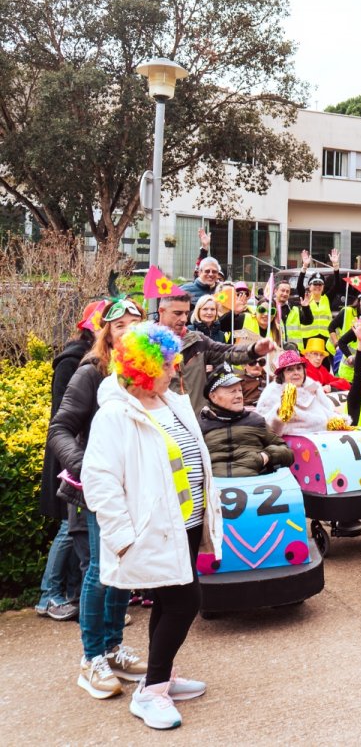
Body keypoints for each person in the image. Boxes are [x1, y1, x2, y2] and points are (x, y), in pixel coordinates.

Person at [82, 323, 220, 730]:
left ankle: (162, 674)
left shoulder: (172, 402)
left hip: (186, 525)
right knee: (185, 602)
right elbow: (100, 482)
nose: (172, 369)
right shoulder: (115, 414)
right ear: (140, 368)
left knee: (168, 601)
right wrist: (124, 537)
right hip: (153, 531)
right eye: (162, 363)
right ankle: (151, 691)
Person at [48, 299, 149, 698]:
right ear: (106, 333)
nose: (127, 330)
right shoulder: (91, 372)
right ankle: (91, 659)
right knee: (101, 570)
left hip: (136, 485)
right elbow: (60, 428)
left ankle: (112, 647)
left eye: (134, 324)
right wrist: (87, 469)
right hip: (99, 487)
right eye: (119, 324)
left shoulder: (144, 372)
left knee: (124, 566)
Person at [36, 304, 99, 622]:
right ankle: (49, 596)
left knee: (80, 530)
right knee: (66, 526)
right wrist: (75, 458)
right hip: (72, 455)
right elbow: (64, 415)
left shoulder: (99, 362)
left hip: (86, 452)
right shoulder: (73, 361)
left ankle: (75, 594)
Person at [155, 293, 274, 416]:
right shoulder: (145, 343)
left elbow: (227, 352)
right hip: (161, 423)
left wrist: (254, 350)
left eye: (186, 313)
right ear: (161, 311)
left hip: (197, 420)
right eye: (178, 313)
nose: (184, 319)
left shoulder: (198, 340)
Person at [199, 367, 294, 477]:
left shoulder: (255, 421)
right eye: (232, 391)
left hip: (254, 486)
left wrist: (265, 456)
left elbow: (287, 453)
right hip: (215, 488)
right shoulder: (200, 426)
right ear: (213, 397)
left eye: (240, 390)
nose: (239, 396)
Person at [258, 350, 345, 435]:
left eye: (299, 368)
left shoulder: (313, 388)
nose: (296, 373)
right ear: (282, 375)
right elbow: (265, 428)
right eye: (290, 369)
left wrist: (337, 420)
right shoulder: (272, 394)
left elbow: (327, 410)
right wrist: (279, 413)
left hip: (323, 440)